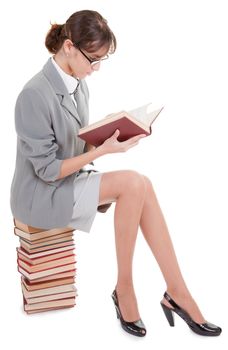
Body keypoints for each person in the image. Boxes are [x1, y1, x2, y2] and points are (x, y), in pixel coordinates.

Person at [10, 9, 222, 337]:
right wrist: (104, 151)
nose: (96, 69)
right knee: (133, 183)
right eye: (92, 59)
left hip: (66, 181)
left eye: (101, 61)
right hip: (41, 195)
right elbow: (48, 170)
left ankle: (176, 291)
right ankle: (128, 290)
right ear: (68, 47)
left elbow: (75, 148)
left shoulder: (78, 85)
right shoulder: (33, 95)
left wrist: (108, 135)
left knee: (142, 185)